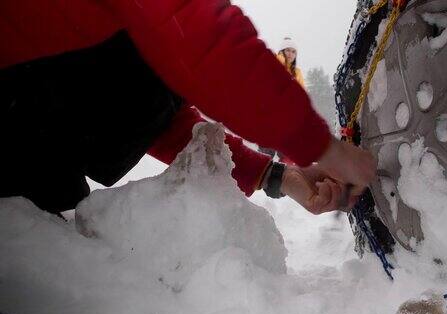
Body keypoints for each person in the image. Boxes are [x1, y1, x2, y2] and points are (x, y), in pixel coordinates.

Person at [0, 0, 376, 216]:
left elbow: (156, 121)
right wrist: (323, 148)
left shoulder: (115, 41)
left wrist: (278, 177)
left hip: (31, 155)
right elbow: (202, 41)